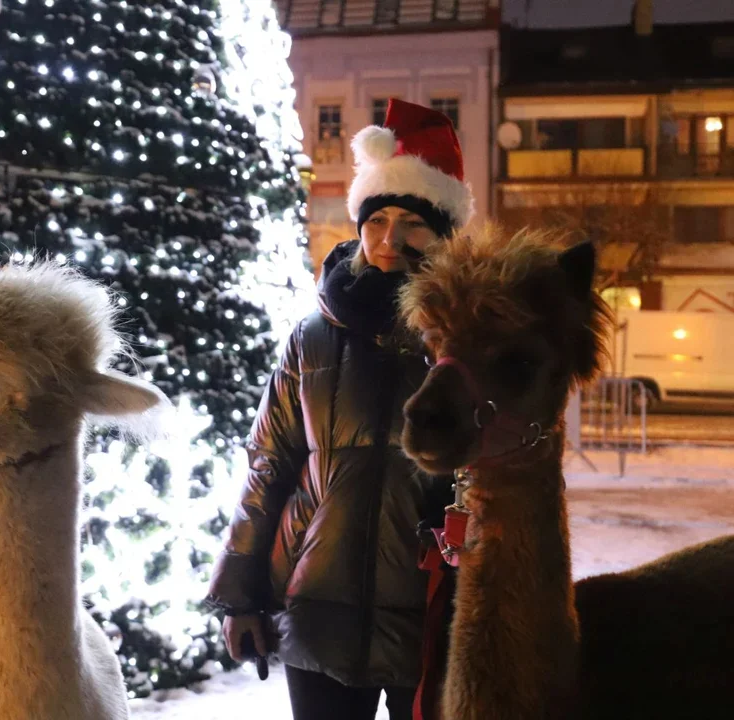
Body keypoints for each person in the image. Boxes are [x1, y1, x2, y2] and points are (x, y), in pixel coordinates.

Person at [206, 99, 474, 720]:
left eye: (414, 223)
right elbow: (268, 466)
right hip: (318, 610)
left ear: (445, 234)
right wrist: (241, 594)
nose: (391, 240)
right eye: (377, 221)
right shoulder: (312, 337)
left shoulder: (465, 336)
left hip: (434, 614)